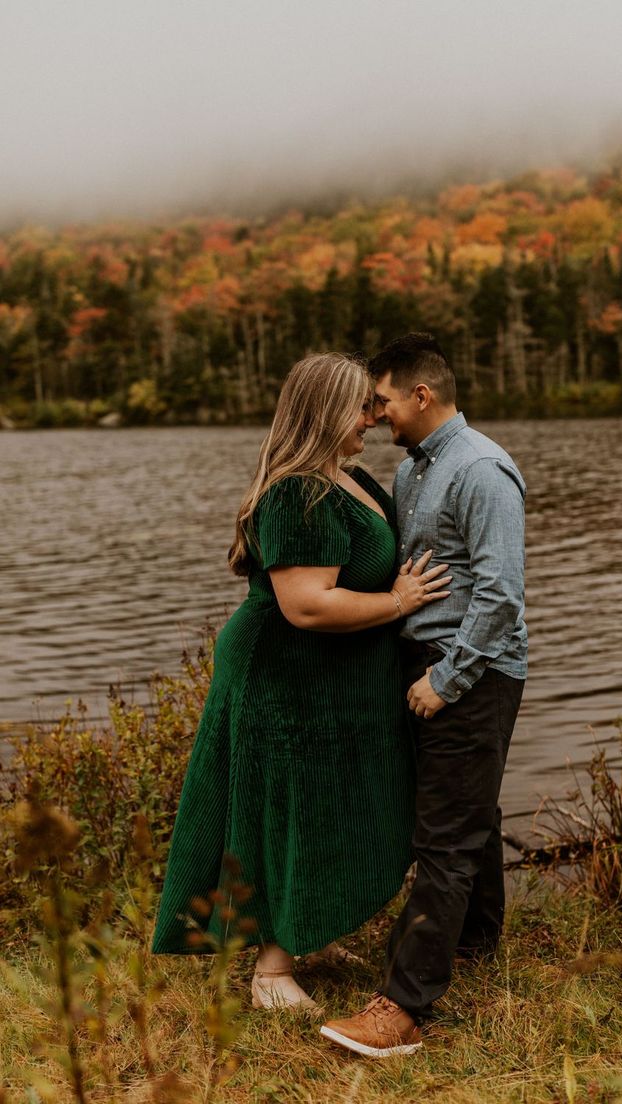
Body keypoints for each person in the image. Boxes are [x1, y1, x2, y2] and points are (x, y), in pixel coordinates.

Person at [152, 352, 451, 1012]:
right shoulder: (298, 493)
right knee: (293, 809)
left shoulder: (353, 479)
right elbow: (308, 605)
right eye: (360, 407)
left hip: (334, 682)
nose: (373, 417)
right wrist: (400, 604)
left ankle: (301, 930)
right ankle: (272, 972)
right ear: (322, 413)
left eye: (375, 406)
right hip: (285, 682)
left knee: (345, 802)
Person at [321, 333, 527, 1056]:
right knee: (470, 812)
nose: (373, 416)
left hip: (470, 672)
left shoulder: (482, 470)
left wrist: (448, 678)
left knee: (443, 838)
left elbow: (501, 596)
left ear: (421, 395)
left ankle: (402, 1009)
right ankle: (474, 945)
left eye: (380, 401)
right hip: (429, 663)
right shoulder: (414, 471)